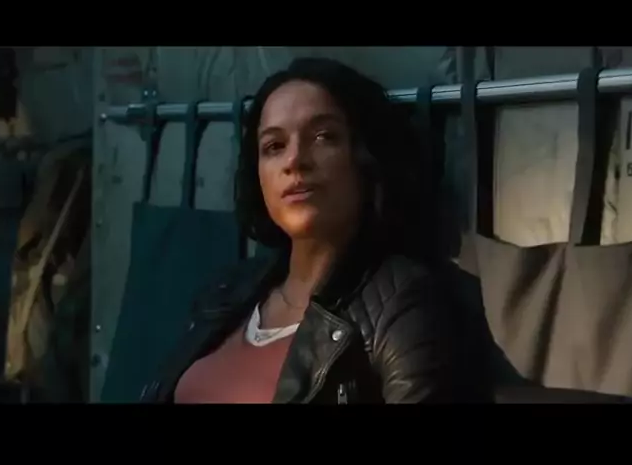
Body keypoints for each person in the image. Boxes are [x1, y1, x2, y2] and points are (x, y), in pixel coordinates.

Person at [140, 57, 493, 404]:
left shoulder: (401, 302)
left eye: (323, 136)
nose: (294, 160)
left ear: (366, 158)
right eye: (274, 146)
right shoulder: (227, 292)